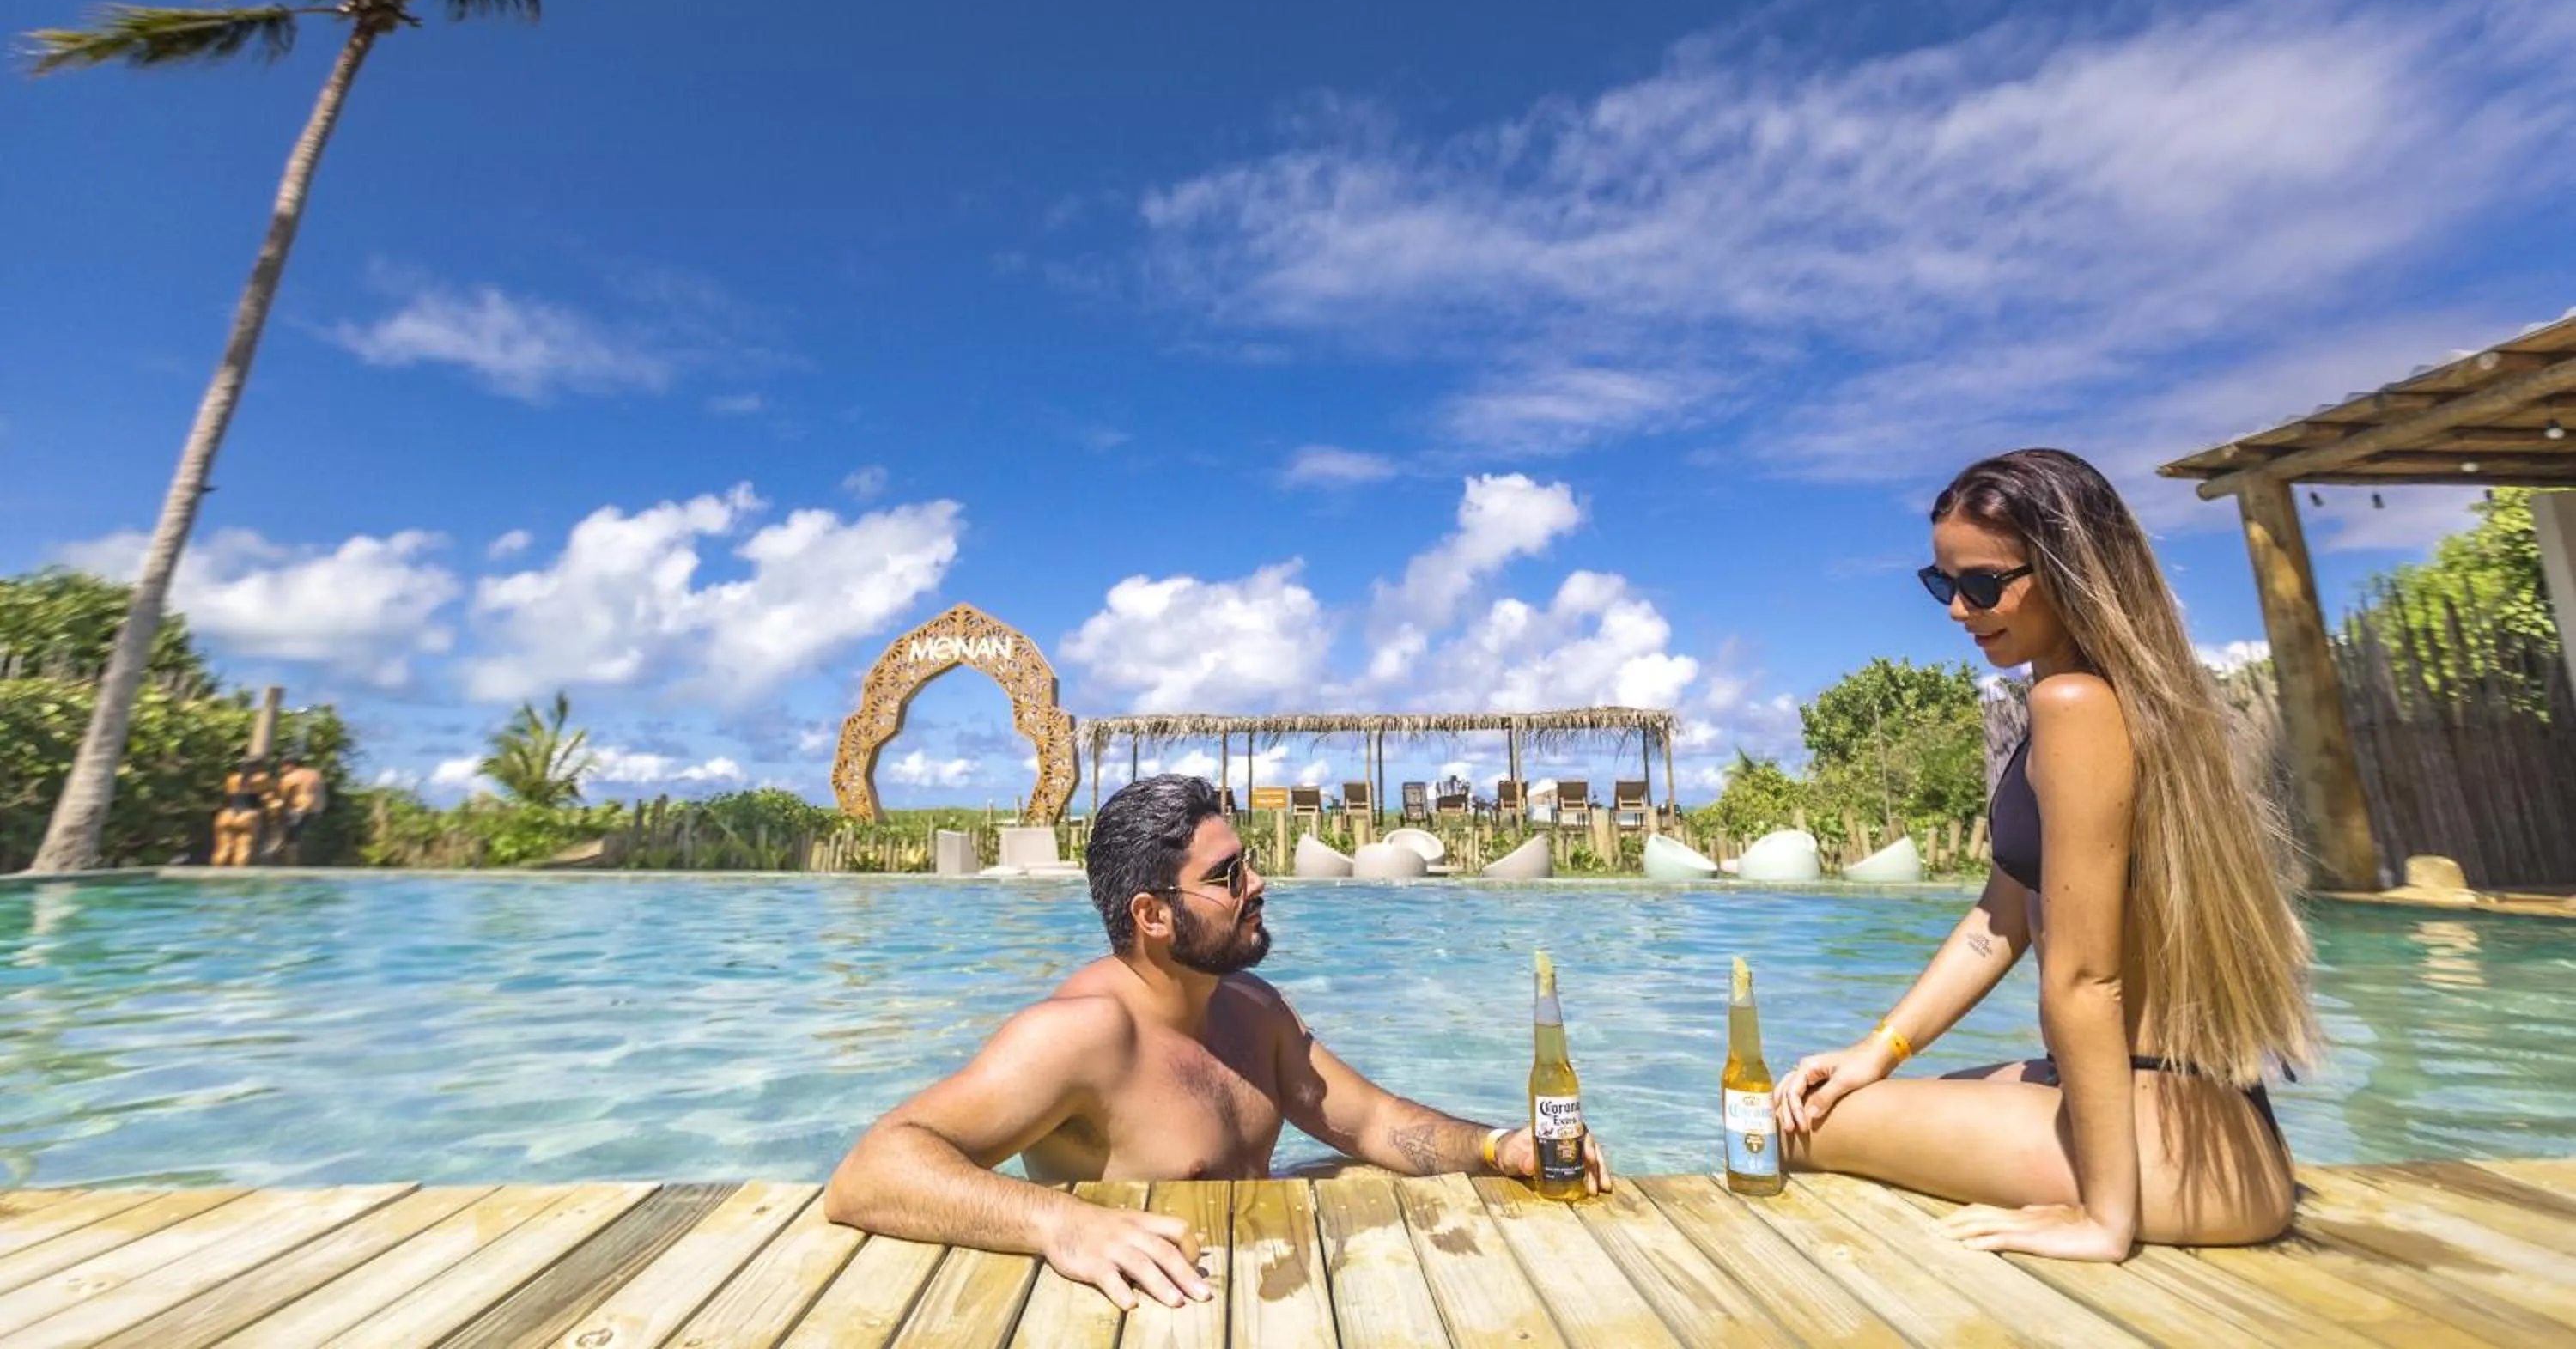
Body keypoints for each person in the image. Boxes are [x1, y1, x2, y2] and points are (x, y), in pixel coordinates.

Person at [1773, 447, 2315, 1258]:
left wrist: (2104, 1220)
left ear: (2069, 568)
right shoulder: (2106, 698)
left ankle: (2108, 1204)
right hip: (2187, 1115)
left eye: (1983, 584)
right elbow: (1998, 920)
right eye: (1942, 584)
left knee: (1773, 1128)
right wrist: (1875, 1051)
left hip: (2173, 1140)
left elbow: (2087, 978)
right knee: (1822, 1100)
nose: (1960, 609)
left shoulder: (2075, 706)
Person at [824, 775, 1611, 1310]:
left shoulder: (1251, 1007)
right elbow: (870, 1172)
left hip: (1272, 1292)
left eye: (1250, 866)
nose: (1258, 885)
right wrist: (1059, 1224)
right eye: (1229, 875)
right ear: (1153, 916)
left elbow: (1371, 1122)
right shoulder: (1081, 1037)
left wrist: (1500, 1147)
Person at [210, 761, 270, 868]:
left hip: (228, 814)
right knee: (243, 849)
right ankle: (238, 880)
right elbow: (269, 798)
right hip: (248, 815)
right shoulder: (262, 780)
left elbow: (228, 794)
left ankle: (215, 876)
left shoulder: (231, 779)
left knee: (223, 849)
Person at [275, 758, 329, 866]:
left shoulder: (290, 777)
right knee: (299, 837)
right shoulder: (316, 774)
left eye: (283, 767)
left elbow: (282, 799)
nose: (281, 770)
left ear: (290, 765)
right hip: (317, 811)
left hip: (299, 811)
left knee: (291, 841)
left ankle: (291, 867)